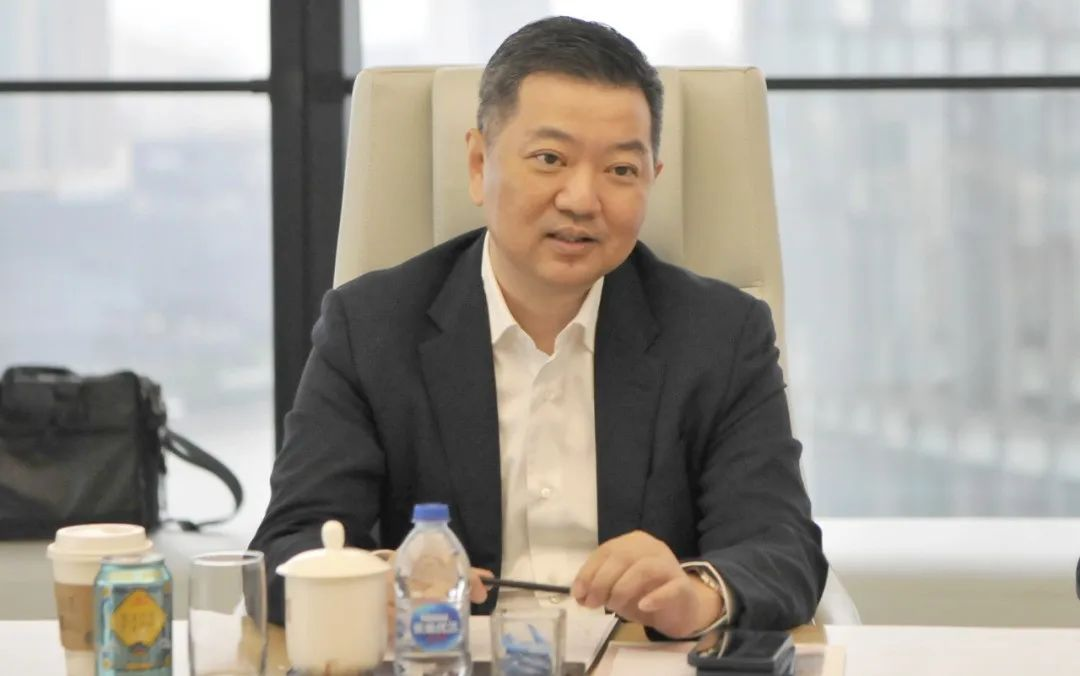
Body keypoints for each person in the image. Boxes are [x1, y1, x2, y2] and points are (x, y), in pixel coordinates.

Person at [249, 15, 826, 638]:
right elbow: (289, 544)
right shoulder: (370, 328)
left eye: (621, 170)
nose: (581, 199)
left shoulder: (722, 335)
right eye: (550, 159)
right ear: (479, 163)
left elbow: (781, 547)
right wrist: (368, 585)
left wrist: (697, 594)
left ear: (652, 181)